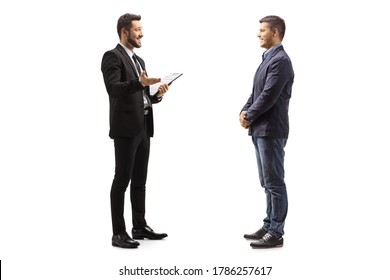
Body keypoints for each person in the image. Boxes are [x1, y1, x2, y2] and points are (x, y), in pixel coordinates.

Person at [101, 13, 169, 249]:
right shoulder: (112, 56)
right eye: (137, 30)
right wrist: (140, 84)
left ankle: (139, 226)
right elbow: (114, 89)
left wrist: (156, 95)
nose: (141, 34)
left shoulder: (139, 60)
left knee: (140, 180)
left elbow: (141, 96)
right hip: (126, 129)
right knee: (122, 180)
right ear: (124, 32)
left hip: (144, 127)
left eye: (141, 29)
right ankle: (118, 233)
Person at [240, 15, 294, 248]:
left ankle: (276, 232)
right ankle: (269, 223)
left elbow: (269, 96)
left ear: (275, 32)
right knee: (266, 181)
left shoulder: (280, 60)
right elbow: (256, 92)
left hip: (271, 129)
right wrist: (244, 111)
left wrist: (249, 115)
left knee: (274, 182)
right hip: (260, 129)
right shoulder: (267, 59)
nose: (258, 34)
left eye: (262, 30)